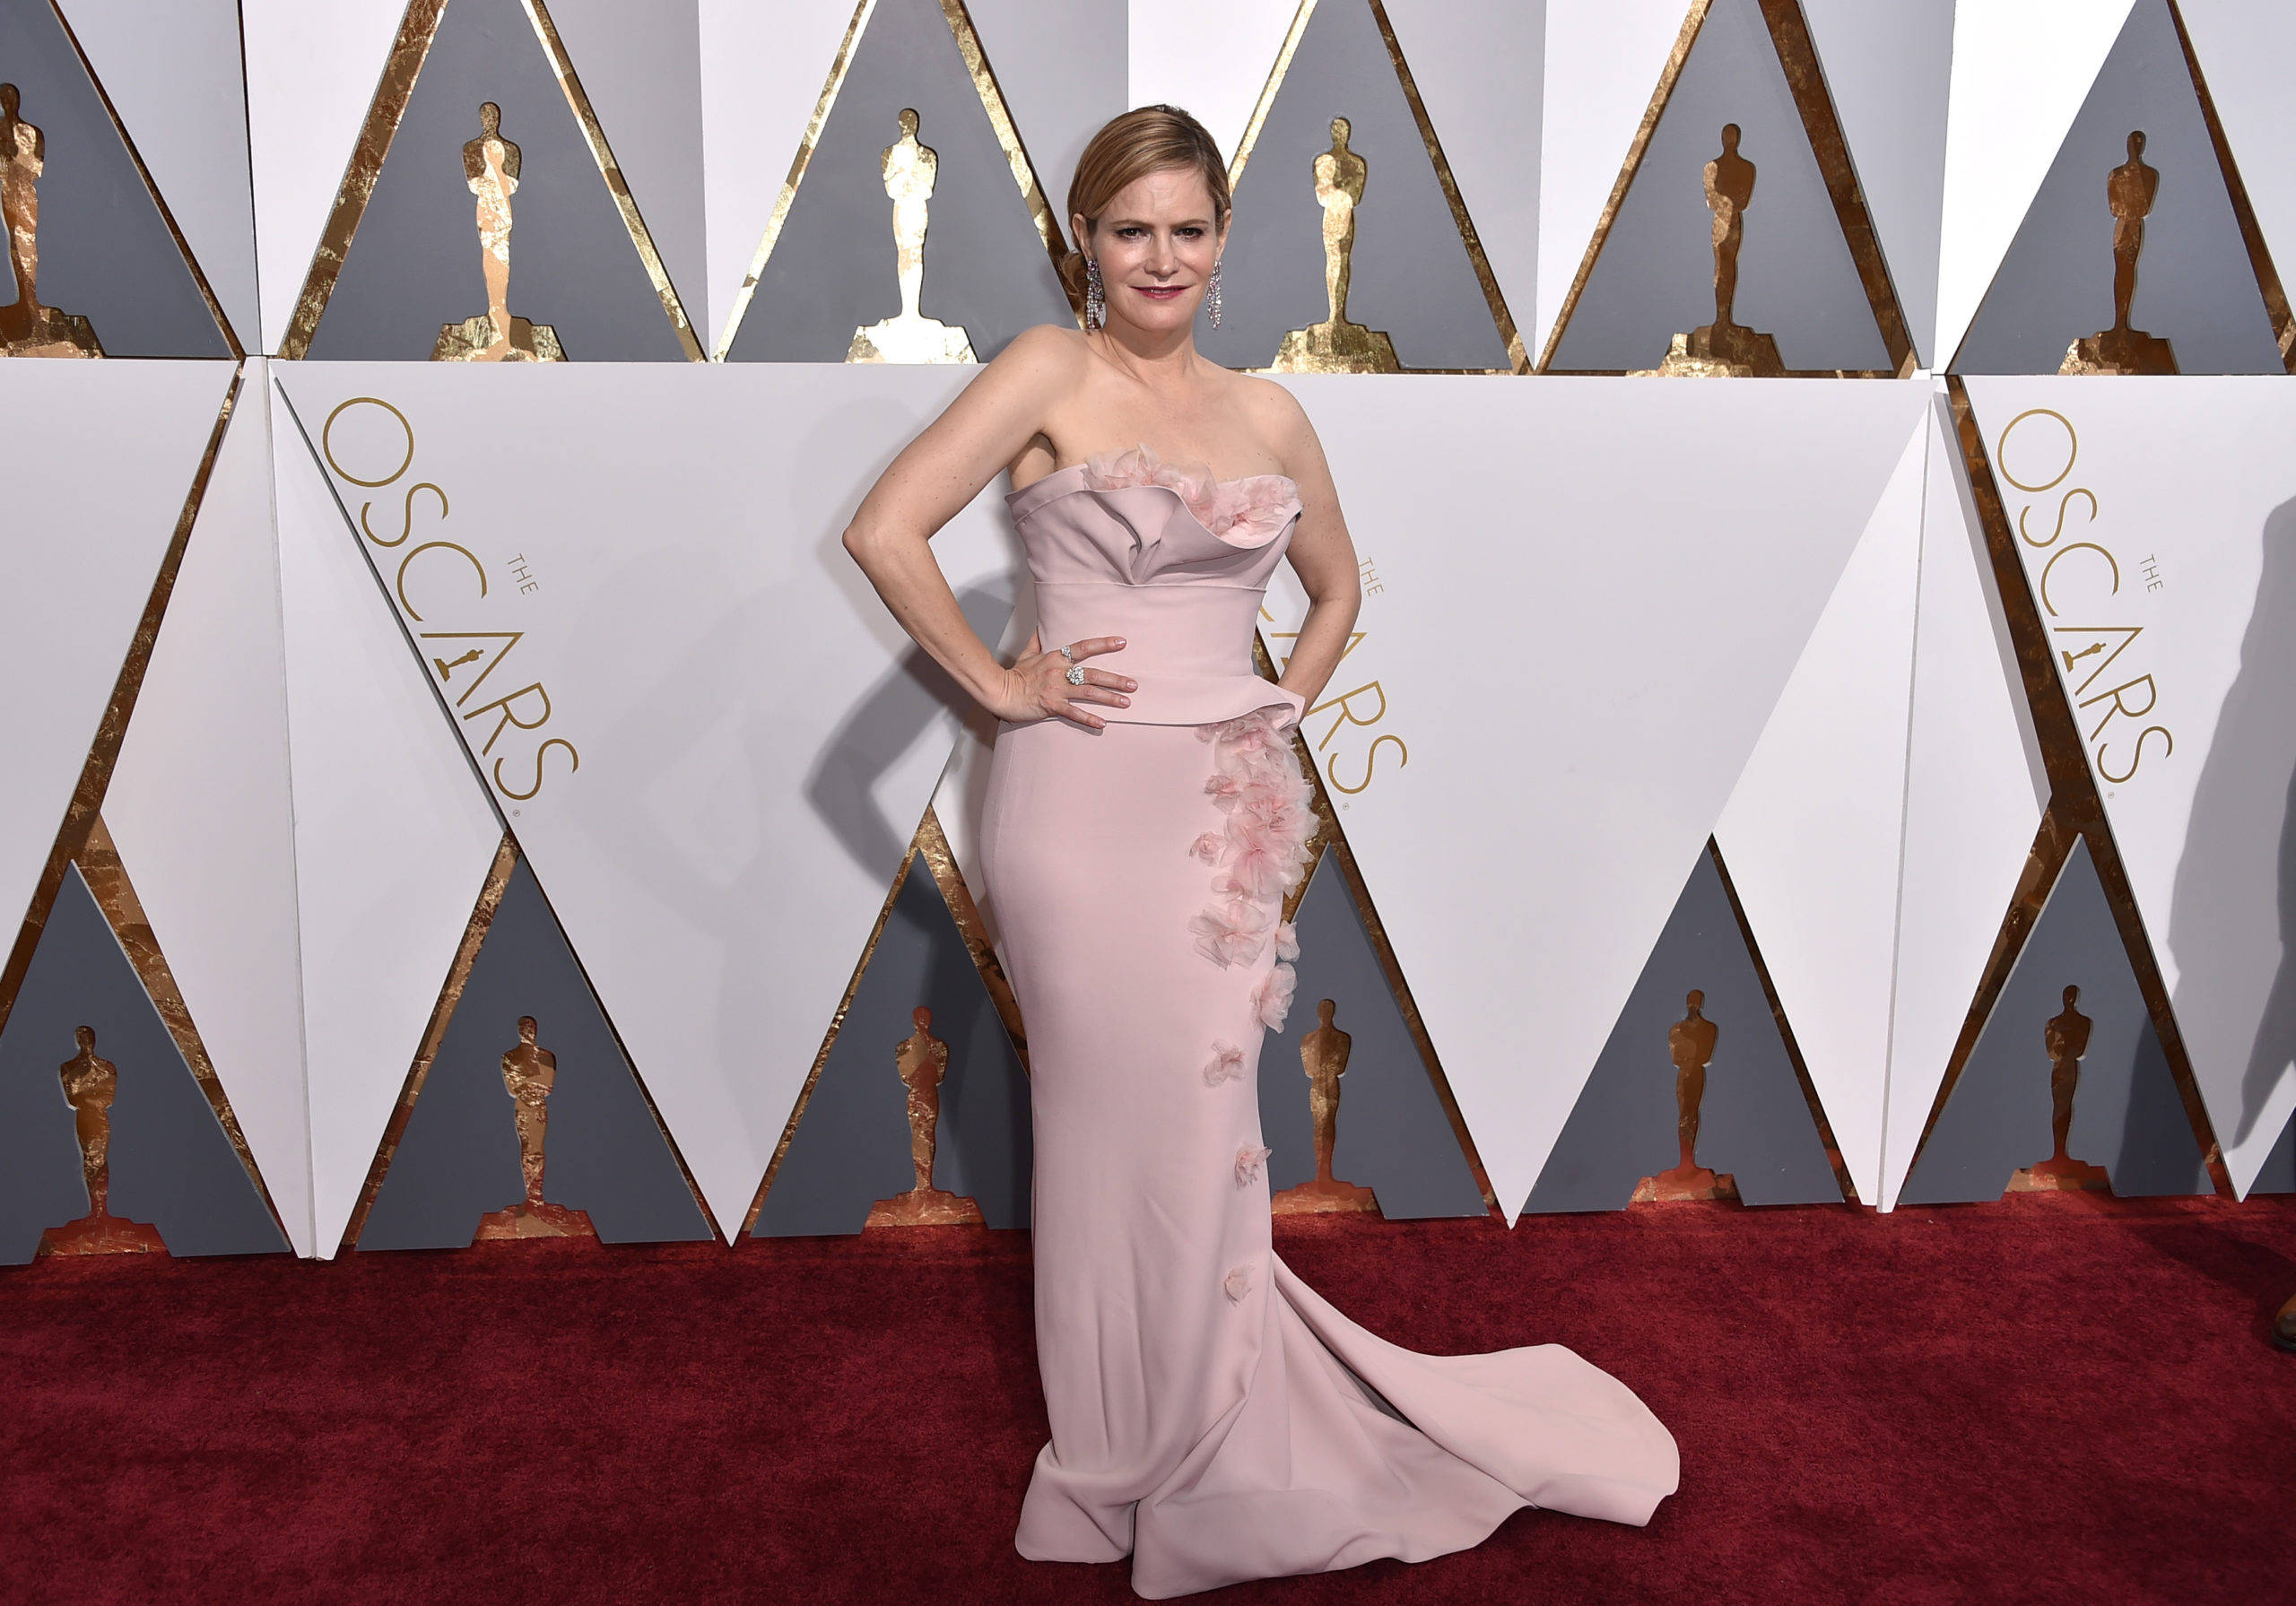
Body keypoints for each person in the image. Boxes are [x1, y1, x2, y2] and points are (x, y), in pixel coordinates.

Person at [842, 104, 1676, 1598]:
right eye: (1128, 230)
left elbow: (1340, 587)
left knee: (1210, 1112)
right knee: (1106, 1126)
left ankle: (1212, 1406)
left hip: (1213, 817)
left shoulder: (1273, 412)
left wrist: (1268, 712)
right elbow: (887, 529)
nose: (1159, 257)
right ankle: (1122, 1446)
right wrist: (1003, 681)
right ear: (1084, 243)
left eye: (1186, 229)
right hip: (1073, 802)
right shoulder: (1047, 368)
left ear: (1224, 243)